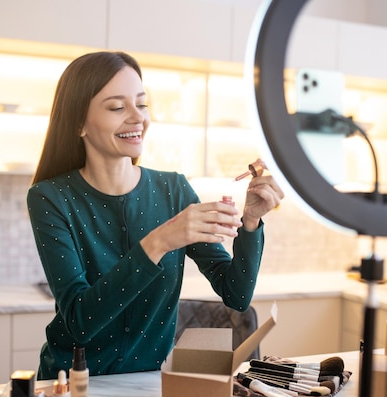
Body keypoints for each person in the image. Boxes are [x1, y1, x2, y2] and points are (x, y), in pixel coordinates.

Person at [27, 51, 284, 379]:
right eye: (118, 107)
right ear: (79, 123)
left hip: (148, 385)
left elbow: (236, 295)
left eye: (142, 104)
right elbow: (79, 322)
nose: (138, 118)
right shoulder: (50, 198)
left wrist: (251, 223)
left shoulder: (173, 190)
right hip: (70, 386)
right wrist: (161, 240)